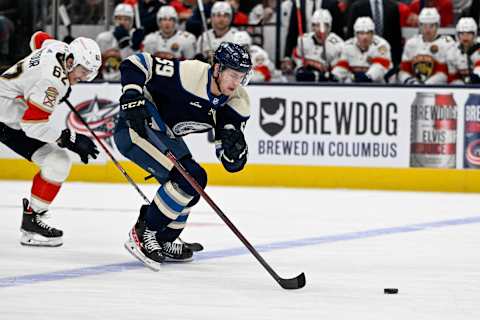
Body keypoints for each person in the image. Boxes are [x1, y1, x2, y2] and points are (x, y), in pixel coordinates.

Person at [114, 42, 252, 269]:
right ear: (217, 69)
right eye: (233, 75)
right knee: (189, 179)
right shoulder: (189, 74)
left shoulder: (237, 101)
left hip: (164, 136)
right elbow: (136, 62)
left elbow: (229, 160)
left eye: (242, 77)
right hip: (137, 128)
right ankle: (144, 232)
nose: (236, 83)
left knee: (193, 186)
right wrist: (132, 95)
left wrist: (236, 154)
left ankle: (163, 239)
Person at [0, 32, 100, 247]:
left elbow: (37, 38)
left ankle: (32, 220)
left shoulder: (59, 48)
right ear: (72, 61)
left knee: (58, 161)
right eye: (82, 72)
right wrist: (69, 137)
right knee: (58, 160)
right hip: (6, 120)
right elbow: (32, 126)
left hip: (10, 111)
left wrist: (31, 76)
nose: (82, 78)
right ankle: (31, 223)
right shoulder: (52, 82)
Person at [398, 8, 455, 84]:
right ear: (420, 26)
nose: (427, 30)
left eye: (431, 26)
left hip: (439, 89)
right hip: (414, 87)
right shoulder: (411, 43)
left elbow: (446, 72)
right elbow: (403, 71)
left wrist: (426, 85)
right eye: (424, 26)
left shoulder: (448, 43)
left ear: (437, 26)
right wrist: (411, 81)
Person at [331, 17, 392, 83]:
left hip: (376, 86)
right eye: (361, 33)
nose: (365, 37)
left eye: (368, 33)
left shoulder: (382, 45)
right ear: (355, 34)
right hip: (353, 85)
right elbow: (342, 67)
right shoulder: (347, 46)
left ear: (373, 34)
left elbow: (380, 68)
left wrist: (368, 76)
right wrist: (334, 76)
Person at [96, 3, 144, 81]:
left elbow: (134, 67)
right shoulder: (103, 38)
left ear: (131, 21)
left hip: (127, 82)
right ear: (114, 19)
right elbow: (96, 64)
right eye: (119, 19)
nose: (122, 22)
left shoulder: (136, 38)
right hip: (104, 82)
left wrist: (132, 46)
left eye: (126, 19)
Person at [294, 9, 344, 82]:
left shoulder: (338, 46)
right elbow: (298, 66)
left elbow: (336, 77)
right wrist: (300, 69)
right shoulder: (303, 40)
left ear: (329, 27)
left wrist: (317, 76)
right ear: (312, 27)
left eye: (324, 25)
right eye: (317, 25)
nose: (320, 30)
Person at [446, 17, 480, 84]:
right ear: (457, 35)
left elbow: (477, 77)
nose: (465, 37)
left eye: (469, 33)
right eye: (462, 33)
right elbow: (452, 78)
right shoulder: (452, 52)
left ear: (475, 34)